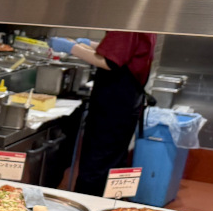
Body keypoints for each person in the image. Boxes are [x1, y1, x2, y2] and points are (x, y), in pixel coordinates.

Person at [65, 31, 156, 196]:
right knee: (111, 161)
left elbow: (110, 62)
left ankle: (90, 208)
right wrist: (91, 45)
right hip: (125, 101)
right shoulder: (143, 22)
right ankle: (107, 206)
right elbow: (125, 51)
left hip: (114, 103)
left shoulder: (128, 22)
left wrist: (71, 48)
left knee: (97, 165)